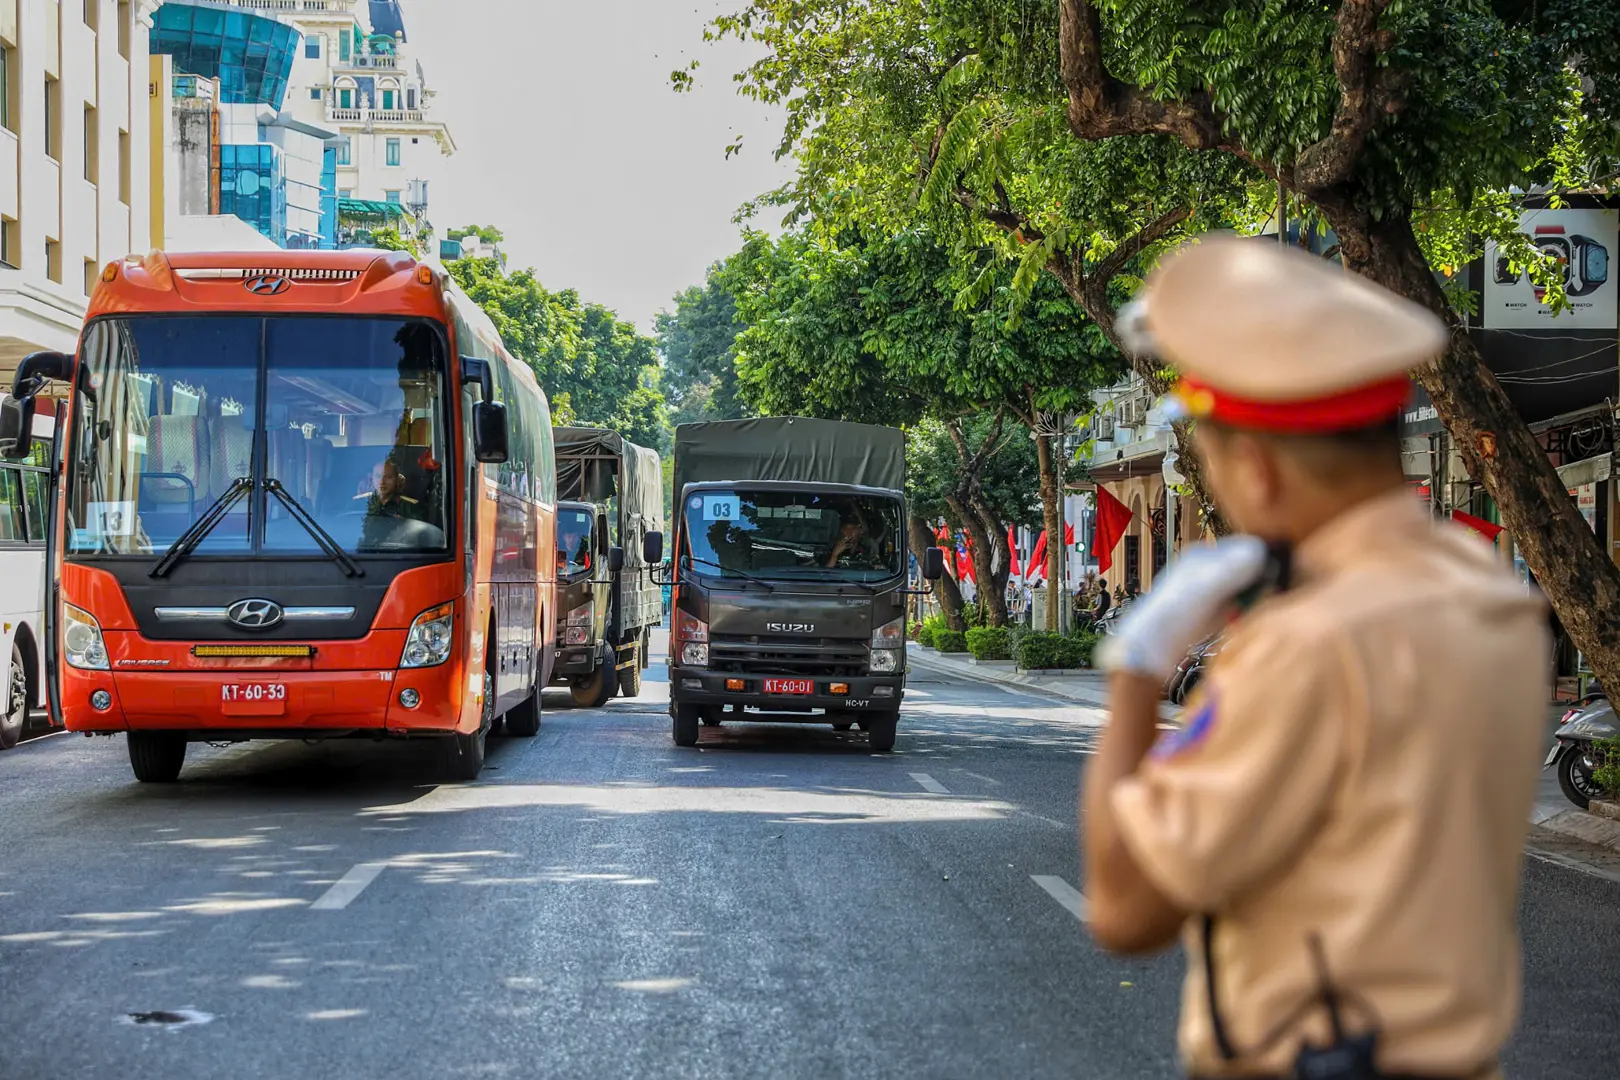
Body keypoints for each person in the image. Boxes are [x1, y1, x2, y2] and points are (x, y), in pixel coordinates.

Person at [1084, 237, 1546, 1080]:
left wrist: (1137, 670)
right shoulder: (1492, 600)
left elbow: (1124, 906)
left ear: (1254, 467)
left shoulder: (1307, 645)